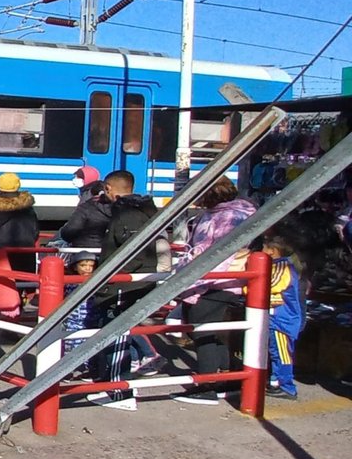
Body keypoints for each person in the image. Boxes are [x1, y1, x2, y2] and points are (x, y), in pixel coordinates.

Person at [172, 177, 256, 405]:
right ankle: (225, 378)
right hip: (229, 279)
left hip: (216, 279)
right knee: (213, 330)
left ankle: (206, 385)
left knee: (202, 330)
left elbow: (219, 254)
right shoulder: (242, 211)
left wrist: (195, 280)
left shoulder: (225, 217)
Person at [85, 169, 160, 411]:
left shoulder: (127, 215)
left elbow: (132, 251)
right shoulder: (140, 211)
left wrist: (111, 280)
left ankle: (119, 392)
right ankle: (114, 384)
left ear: (109, 189)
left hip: (122, 285)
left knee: (117, 337)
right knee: (118, 334)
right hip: (130, 282)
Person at [264, 235, 303, 401]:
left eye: (263, 248)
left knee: (282, 353)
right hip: (277, 318)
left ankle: (287, 386)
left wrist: (247, 288)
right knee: (275, 351)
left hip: (283, 319)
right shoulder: (277, 265)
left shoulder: (282, 267)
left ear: (273, 251)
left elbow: (272, 286)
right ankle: (276, 381)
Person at [0, 172, 40, 274]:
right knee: (21, 288)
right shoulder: (28, 209)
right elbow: (35, 233)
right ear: (18, 187)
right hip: (26, 260)